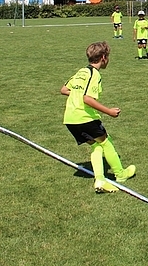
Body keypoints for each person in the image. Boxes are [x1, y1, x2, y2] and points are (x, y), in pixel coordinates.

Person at [61, 41, 136, 193]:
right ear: (103, 58)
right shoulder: (94, 74)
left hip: (70, 118)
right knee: (106, 143)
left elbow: (64, 90)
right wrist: (109, 111)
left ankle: (100, 180)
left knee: (96, 146)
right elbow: (87, 99)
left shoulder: (81, 71)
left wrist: (77, 93)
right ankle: (120, 174)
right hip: (85, 118)